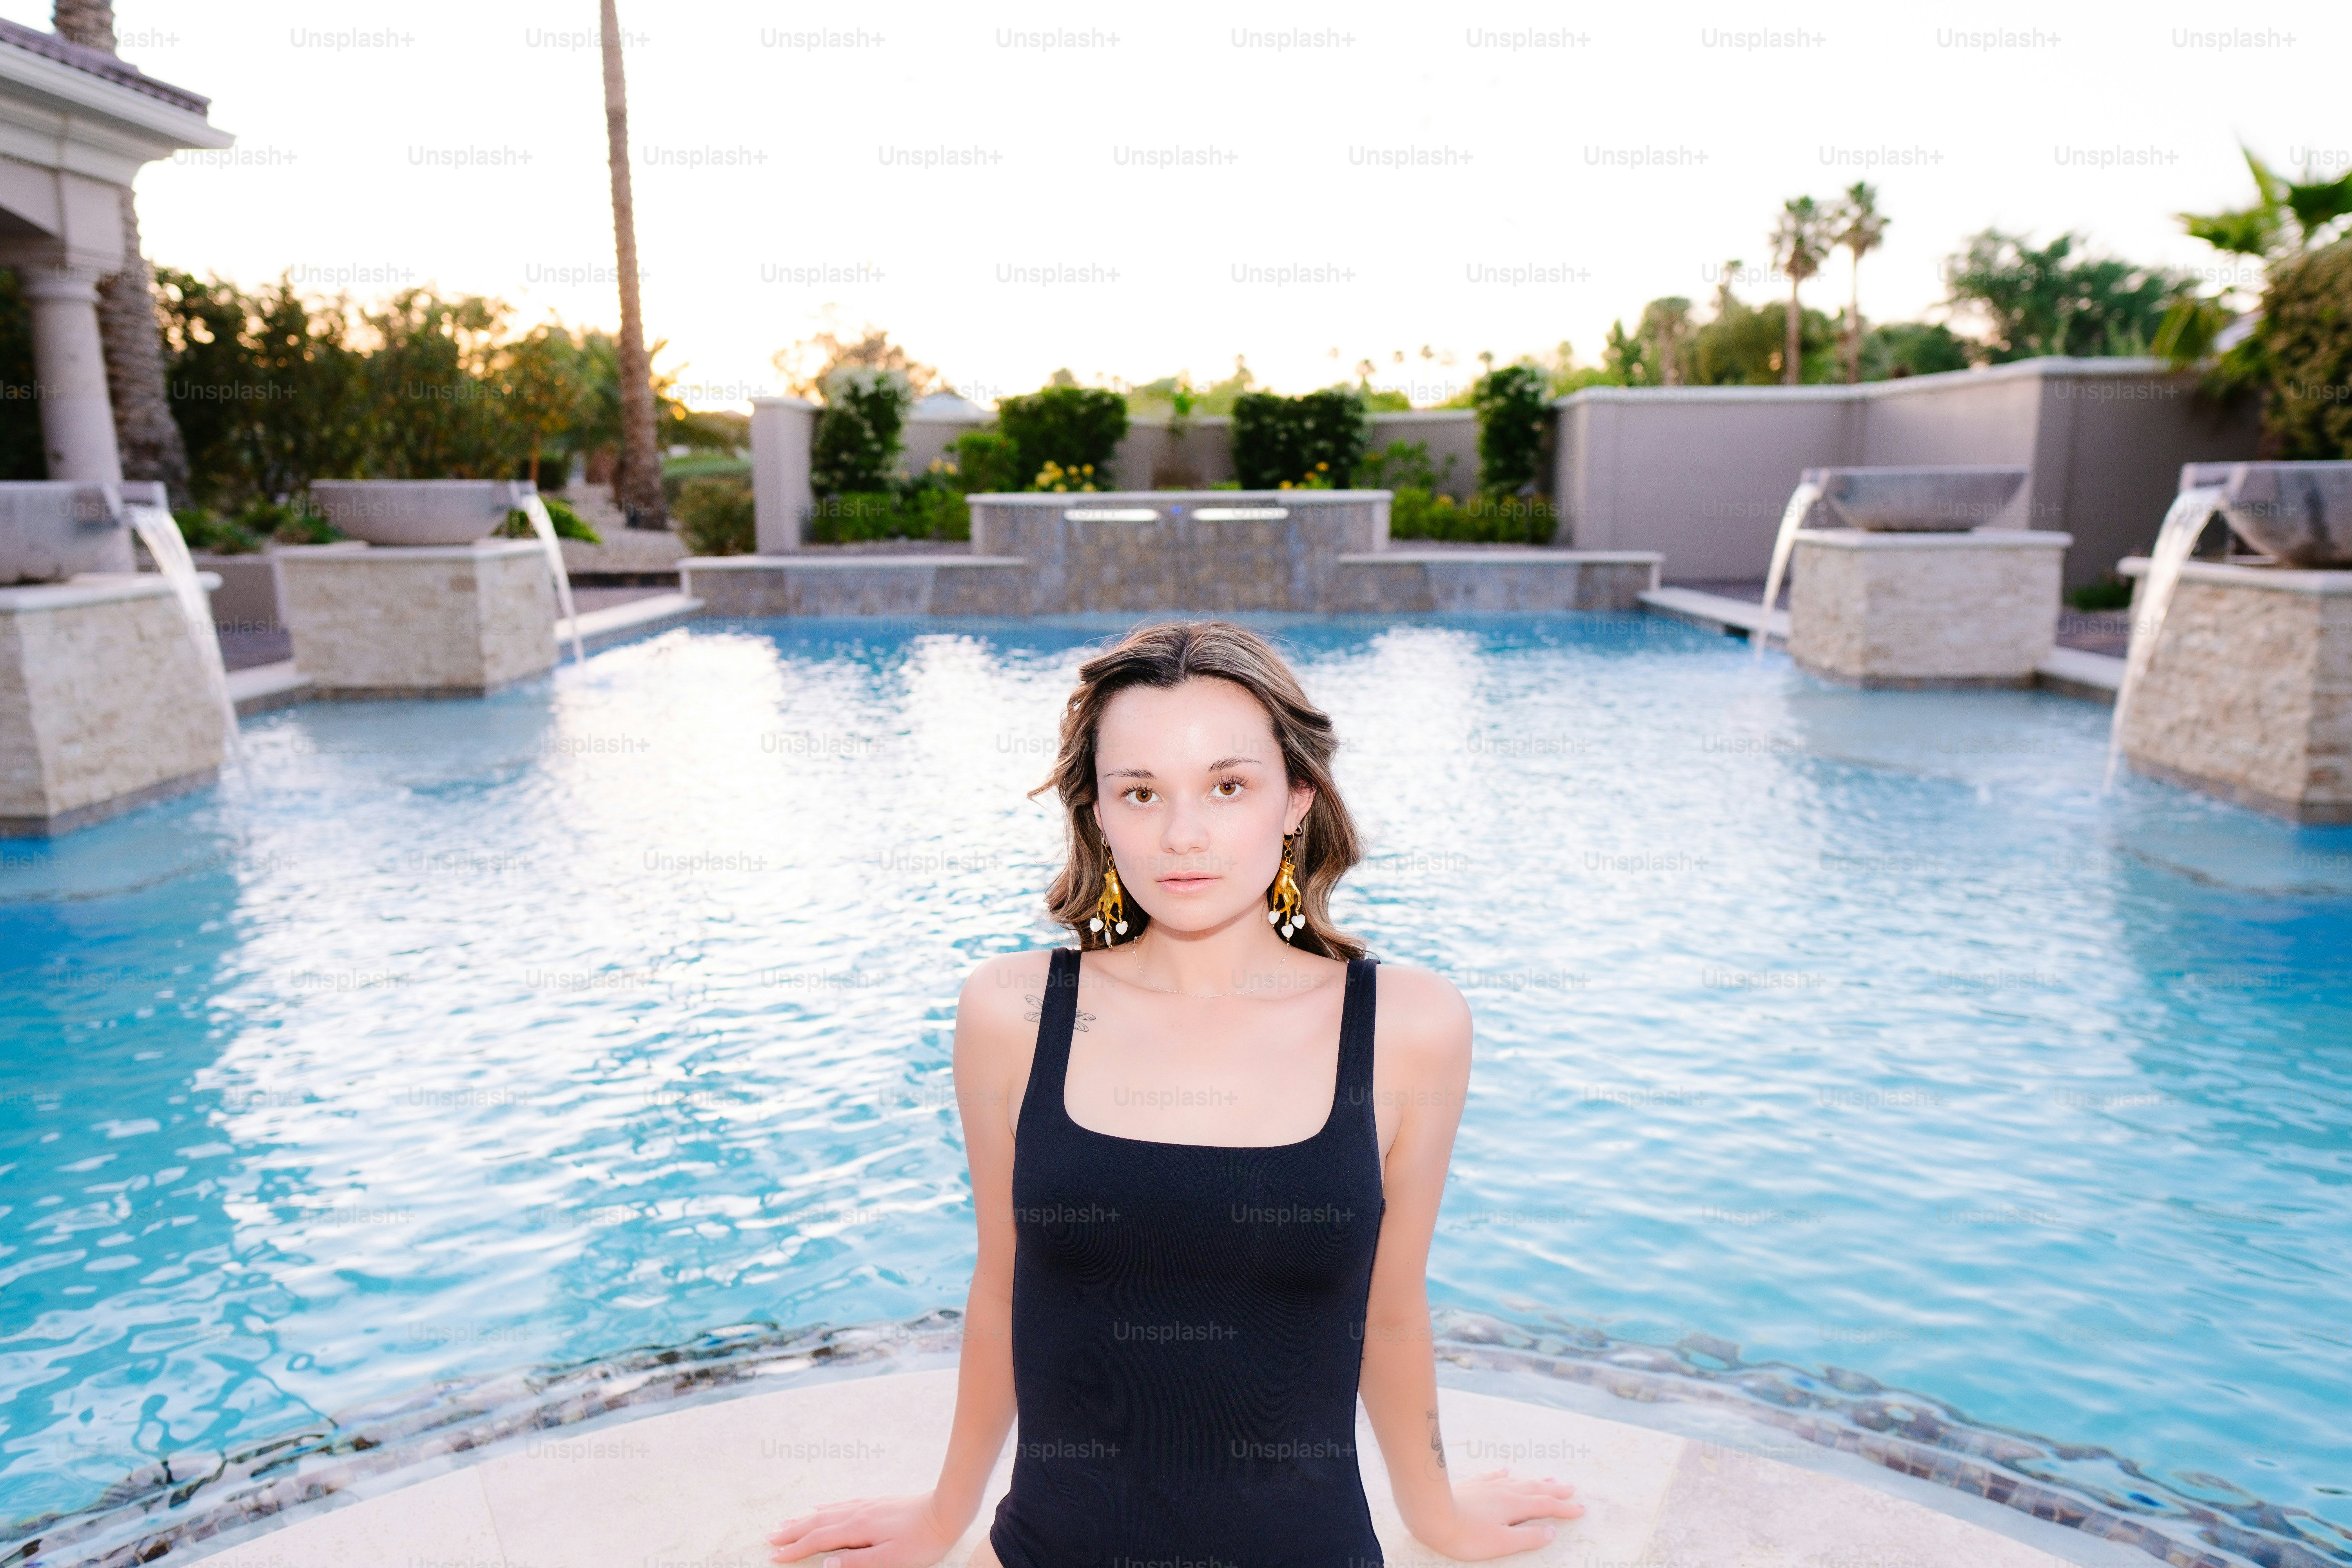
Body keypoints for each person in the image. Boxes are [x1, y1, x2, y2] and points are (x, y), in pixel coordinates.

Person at [771, 620, 1581, 1567]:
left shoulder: (1409, 1025)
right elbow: (1003, 1284)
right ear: (1099, 813)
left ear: (1297, 798)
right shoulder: (1013, 1012)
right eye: (1142, 792)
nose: (1182, 835)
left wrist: (1437, 1513)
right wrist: (945, 1511)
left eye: (1227, 786)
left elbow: (1392, 1309)